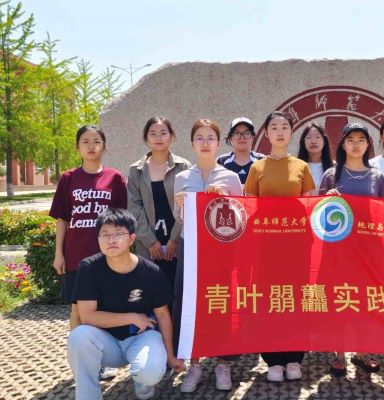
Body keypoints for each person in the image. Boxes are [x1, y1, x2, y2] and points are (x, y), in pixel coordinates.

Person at [67, 208, 185, 400]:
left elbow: (163, 315)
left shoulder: (151, 272)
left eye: (118, 234)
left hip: (141, 338)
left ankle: (143, 385)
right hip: (107, 344)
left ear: (132, 239)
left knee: (150, 371)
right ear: (98, 239)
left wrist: (171, 357)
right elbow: (86, 316)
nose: (111, 240)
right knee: (78, 336)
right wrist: (132, 317)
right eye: (105, 235)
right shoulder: (89, 268)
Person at [50, 125, 127, 380]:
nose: (91, 146)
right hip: (76, 256)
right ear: (77, 147)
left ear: (104, 146)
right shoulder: (68, 178)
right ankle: (80, 364)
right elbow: (62, 219)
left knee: (103, 310)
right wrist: (58, 254)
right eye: (85, 141)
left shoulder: (115, 178)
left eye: (96, 141)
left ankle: (101, 362)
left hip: (107, 257)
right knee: (77, 311)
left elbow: (122, 220)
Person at [244, 111, 315, 382]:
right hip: (267, 247)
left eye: (284, 127)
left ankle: (295, 357)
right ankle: (273, 359)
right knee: (269, 299)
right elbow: (249, 207)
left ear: (291, 132)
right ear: (267, 133)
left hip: (297, 246)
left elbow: (309, 206)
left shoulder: (301, 166)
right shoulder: (257, 168)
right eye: (274, 127)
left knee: (295, 299)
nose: (280, 131)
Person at [174, 119, 243, 393]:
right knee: (191, 305)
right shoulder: (181, 178)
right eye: (199, 138)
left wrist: (225, 200)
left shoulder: (231, 177)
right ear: (192, 143)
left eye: (210, 138)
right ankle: (194, 364)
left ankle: (223, 364)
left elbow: (241, 218)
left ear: (218, 143)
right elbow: (180, 218)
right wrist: (181, 204)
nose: (205, 142)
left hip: (220, 252)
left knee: (221, 303)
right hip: (190, 249)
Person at [319, 122, 384, 376]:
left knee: (365, 300)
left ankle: (362, 351)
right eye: (350, 140)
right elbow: (317, 213)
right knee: (340, 299)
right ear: (343, 145)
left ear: (368, 144)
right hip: (337, 250)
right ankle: (338, 353)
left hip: (368, 250)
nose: (356, 144)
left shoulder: (377, 176)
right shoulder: (331, 175)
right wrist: (327, 199)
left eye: (361, 139)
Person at [127, 116, 191, 294]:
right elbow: (134, 207)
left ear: (171, 136)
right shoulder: (136, 170)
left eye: (163, 132)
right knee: (151, 293)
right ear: (146, 138)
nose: (158, 137)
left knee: (179, 292)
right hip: (148, 245)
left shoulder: (183, 166)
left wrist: (175, 239)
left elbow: (187, 205)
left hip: (178, 242)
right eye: (152, 133)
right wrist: (150, 241)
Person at [217, 117, 265, 184]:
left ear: (253, 137)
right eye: (237, 133)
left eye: (246, 133)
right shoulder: (221, 161)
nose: (242, 137)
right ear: (231, 138)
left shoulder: (263, 160)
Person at [297, 122, 334, 195]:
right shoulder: (297, 166)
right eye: (309, 137)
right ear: (303, 142)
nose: (313, 141)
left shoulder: (334, 167)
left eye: (317, 137)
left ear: (324, 141)